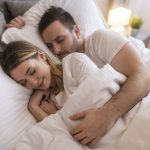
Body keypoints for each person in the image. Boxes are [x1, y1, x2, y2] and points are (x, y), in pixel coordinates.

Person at [5, 6, 150, 146]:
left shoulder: (98, 41)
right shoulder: (59, 86)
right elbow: (64, 128)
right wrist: (15, 31)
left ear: (76, 31)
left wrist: (106, 116)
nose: (56, 49)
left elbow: (143, 76)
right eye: (49, 46)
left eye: (60, 40)